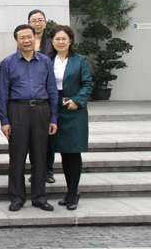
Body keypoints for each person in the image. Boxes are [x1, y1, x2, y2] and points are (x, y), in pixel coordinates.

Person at [0, 24, 58, 212]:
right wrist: (4, 120)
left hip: (41, 110)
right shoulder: (8, 62)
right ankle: (17, 197)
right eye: (22, 38)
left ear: (35, 38)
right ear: (16, 40)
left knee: (40, 156)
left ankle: (39, 197)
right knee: (17, 157)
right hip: (18, 110)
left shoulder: (45, 61)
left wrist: (53, 117)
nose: (26, 41)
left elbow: (52, 90)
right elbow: (3, 92)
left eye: (29, 37)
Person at [49, 25, 93, 210]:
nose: (60, 42)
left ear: (70, 41)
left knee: (73, 152)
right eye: (57, 39)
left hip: (75, 110)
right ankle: (70, 192)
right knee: (63, 152)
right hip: (55, 109)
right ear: (52, 41)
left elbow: (88, 83)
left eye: (64, 38)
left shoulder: (79, 60)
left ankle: (73, 192)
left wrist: (77, 100)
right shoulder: (47, 60)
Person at [27, 9, 56, 184]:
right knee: (32, 138)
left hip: (47, 91)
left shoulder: (52, 42)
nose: (37, 23)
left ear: (45, 23)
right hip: (32, 92)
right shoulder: (26, 40)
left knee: (47, 136)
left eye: (40, 20)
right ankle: (36, 169)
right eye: (34, 20)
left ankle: (48, 169)